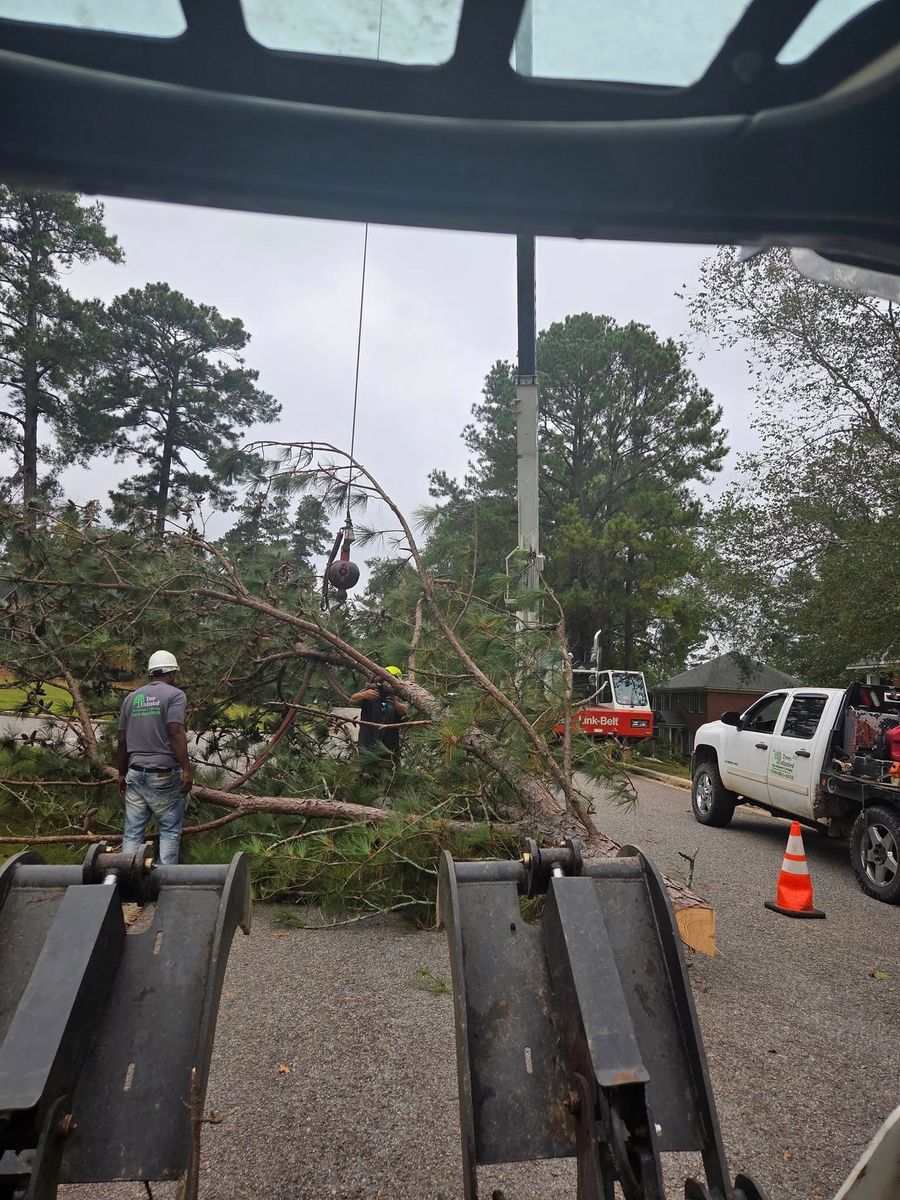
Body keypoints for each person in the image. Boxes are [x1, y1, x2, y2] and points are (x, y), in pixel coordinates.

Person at [117, 650, 193, 865]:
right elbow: (175, 731)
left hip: (134, 773)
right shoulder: (175, 695)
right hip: (163, 775)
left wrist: (121, 774)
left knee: (132, 833)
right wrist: (186, 769)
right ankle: (164, 887)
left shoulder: (132, 698)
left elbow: (121, 741)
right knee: (169, 830)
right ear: (171, 673)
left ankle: (127, 885)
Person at [350, 665, 408, 773]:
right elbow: (352, 699)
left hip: (390, 748)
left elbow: (404, 711)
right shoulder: (370, 690)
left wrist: (395, 704)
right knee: (365, 777)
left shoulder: (397, 695)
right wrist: (364, 695)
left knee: (391, 779)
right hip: (368, 745)